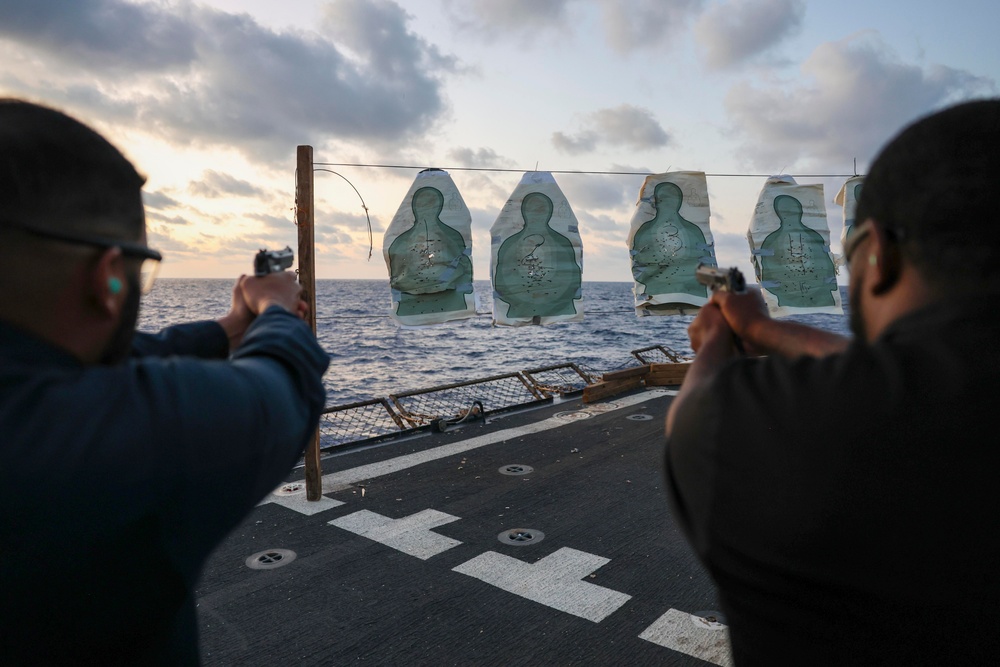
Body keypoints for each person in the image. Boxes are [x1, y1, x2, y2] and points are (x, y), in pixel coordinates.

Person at [665, 99, 1000, 665]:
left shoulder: (804, 431)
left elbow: (695, 415)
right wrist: (765, 329)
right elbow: (915, 373)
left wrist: (717, 339)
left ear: (879, 255)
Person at [0, 99, 329, 664]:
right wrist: (277, 313)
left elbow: (120, 354)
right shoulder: (104, 444)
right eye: (139, 273)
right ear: (108, 278)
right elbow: (284, 390)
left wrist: (231, 326)